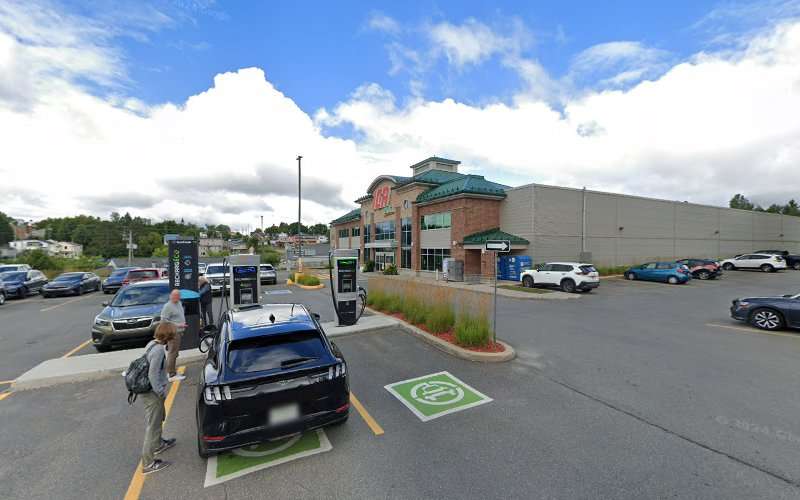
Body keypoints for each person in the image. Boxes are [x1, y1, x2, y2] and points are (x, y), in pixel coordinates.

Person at [140, 322, 177, 475]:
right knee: (153, 426)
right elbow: (152, 374)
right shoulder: (158, 351)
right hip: (152, 393)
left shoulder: (152, 344)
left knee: (158, 419)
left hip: (149, 391)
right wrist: (160, 392)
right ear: (168, 336)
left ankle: (158, 444)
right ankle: (148, 463)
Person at [160, 289, 187, 381]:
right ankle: (171, 375)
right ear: (171, 296)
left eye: (178, 296)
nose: (177, 297)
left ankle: (173, 371)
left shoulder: (178, 303)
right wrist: (178, 325)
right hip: (173, 333)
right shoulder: (168, 306)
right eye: (175, 296)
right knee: (172, 353)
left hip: (179, 332)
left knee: (175, 353)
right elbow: (163, 321)